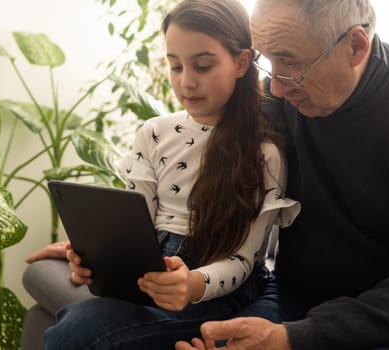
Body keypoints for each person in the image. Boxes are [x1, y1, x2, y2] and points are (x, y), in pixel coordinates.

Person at [175, 0, 389, 349]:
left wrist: (292, 338)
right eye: (268, 62)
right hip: (293, 296)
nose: (276, 90)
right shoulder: (285, 95)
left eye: (289, 63)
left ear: (355, 46)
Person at [43, 0, 300, 348]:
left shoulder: (264, 154)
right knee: (84, 321)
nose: (187, 82)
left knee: (81, 327)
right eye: (175, 66)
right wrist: (97, 260)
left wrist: (193, 284)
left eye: (203, 66)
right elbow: (135, 224)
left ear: (242, 62)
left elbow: (242, 260)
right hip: (155, 266)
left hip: (218, 284)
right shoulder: (153, 133)